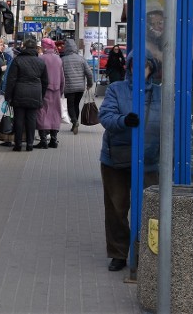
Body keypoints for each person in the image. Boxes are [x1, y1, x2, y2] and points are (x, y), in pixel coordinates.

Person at [98, 53, 161, 272]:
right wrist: (123, 121)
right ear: (129, 67)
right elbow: (105, 116)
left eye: (145, 65)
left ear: (152, 68)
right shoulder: (117, 89)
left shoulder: (160, 93)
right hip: (116, 158)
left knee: (150, 207)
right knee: (116, 207)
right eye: (136, 65)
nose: (140, 69)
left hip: (149, 159)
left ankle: (146, 251)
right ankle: (118, 253)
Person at [4, 38, 49, 152]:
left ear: (24, 47)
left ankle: (18, 144)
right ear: (35, 48)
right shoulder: (41, 62)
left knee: (18, 119)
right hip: (35, 92)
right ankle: (29, 144)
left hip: (19, 92)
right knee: (32, 119)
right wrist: (41, 95)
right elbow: (45, 81)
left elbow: (11, 80)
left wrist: (8, 96)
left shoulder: (17, 60)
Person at [34, 37, 65, 149]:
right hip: (56, 90)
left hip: (43, 90)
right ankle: (54, 139)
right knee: (55, 113)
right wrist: (61, 91)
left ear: (44, 46)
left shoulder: (41, 59)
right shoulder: (58, 59)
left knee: (42, 113)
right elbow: (62, 77)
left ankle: (43, 140)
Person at [62, 38, 94, 134]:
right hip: (80, 88)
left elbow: (59, 74)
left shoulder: (63, 60)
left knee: (70, 105)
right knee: (76, 104)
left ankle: (74, 121)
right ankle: (74, 124)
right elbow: (89, 73)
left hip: (69, 87)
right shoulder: (81, 59)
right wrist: (89, 84)